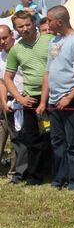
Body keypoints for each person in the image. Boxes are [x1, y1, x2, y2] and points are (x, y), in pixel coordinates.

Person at [4, 11, 54, 186]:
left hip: (54, 95)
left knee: (55, 137)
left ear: (34, 23)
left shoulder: (49, 40)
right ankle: (34, 177)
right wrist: (20, 97)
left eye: (27, 24)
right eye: (20, 26)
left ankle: (58, 174)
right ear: (15, 29)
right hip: (30, 98)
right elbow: (7, 78)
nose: (24, 29)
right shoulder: (16, 49)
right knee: (33, 139)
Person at [41, 6, 74, 190]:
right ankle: (60, 178)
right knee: (57, 141)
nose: (47, 23)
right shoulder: (54, 42)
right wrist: (44, 101)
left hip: (71, 99)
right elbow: (48, 72)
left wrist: (69, 97)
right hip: (53, 101)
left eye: (50, 20)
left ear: (59, 21)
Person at [0, 26, 21, 181]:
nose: (2, 42)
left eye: (4, 38)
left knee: (16, 139)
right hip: (6, 99)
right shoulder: (1, 57)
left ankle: (14, 172)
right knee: (4, 136)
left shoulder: (20, 50)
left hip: (21, 99)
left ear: (12, 35)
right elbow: (1, 82)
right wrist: (3, 102)